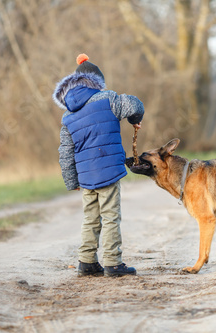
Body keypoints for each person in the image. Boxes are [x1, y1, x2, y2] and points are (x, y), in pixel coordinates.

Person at [53, 54, 144, 277]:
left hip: (85, 177)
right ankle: (113, 263)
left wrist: (72, 180)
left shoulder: (68, 116)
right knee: (111, 215)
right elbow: (135, 104)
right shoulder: (108, 99)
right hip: (108, 171)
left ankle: (87, 261)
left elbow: (65, 152)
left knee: (90, 217)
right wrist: (135, 120)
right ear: (96, 83)